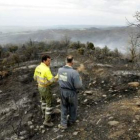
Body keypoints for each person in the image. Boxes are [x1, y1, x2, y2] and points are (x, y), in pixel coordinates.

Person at [58, 55, 83, 129]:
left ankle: (63, 124)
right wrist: (80, 80)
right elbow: (78, 86)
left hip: (62, 91)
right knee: (72, 106)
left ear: (66, 61)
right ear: (72, 62)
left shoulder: (60, 70)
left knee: (63, 107)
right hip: (71, 92)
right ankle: (72, 120)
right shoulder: (74, 72)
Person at [34, 55, 58, 127]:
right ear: (44, 61)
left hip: (39, 87)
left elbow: (35, 78)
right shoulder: (46, 69)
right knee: (49, 103)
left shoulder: (38, 67)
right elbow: (52, 80)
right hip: (45, 88)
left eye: (50, 61)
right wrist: (57, 76)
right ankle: (47, 121)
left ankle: (44, 114)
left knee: (43, 101)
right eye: (48, 61)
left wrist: (41, 81)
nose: (49, 62)